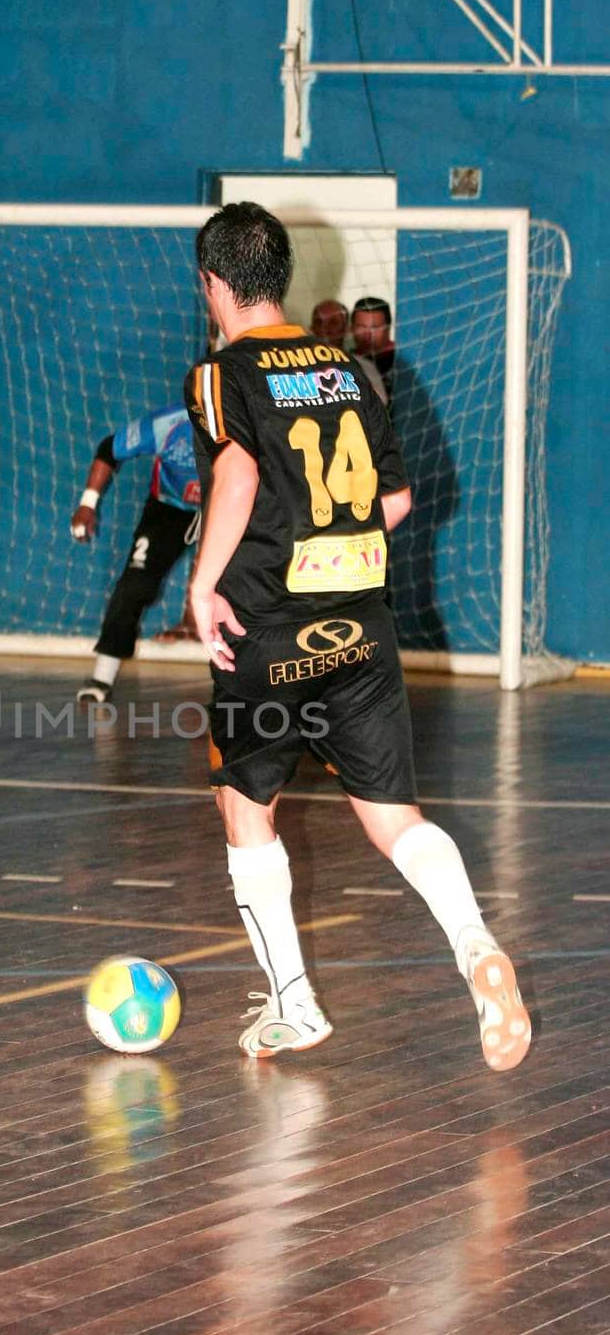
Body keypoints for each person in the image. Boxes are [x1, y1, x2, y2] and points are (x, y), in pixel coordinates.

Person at [184, 202, 529, 1072]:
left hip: (268, 627)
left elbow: (235, 468)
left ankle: (293, 1007)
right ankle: (474, 944)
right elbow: (397, 501)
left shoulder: (221, 374)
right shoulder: (349, 368)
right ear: (284, 276)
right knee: (393, 819)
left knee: (244, 808)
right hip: (363, 627)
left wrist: (202, 583)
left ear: (214, 285)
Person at [71, 406, 201, 703]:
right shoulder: (167, 424)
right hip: (169, 509)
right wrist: (88, 503)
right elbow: (109, 448)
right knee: (135, 584)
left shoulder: (247, 421)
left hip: (231, 509)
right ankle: (102, 677)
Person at [351, 294, 396, 402]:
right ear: (351, 328)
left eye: (375, 328)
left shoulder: (401, 360)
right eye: (361, 327)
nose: (367, 334)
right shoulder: (346, 361)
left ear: (388, 329)